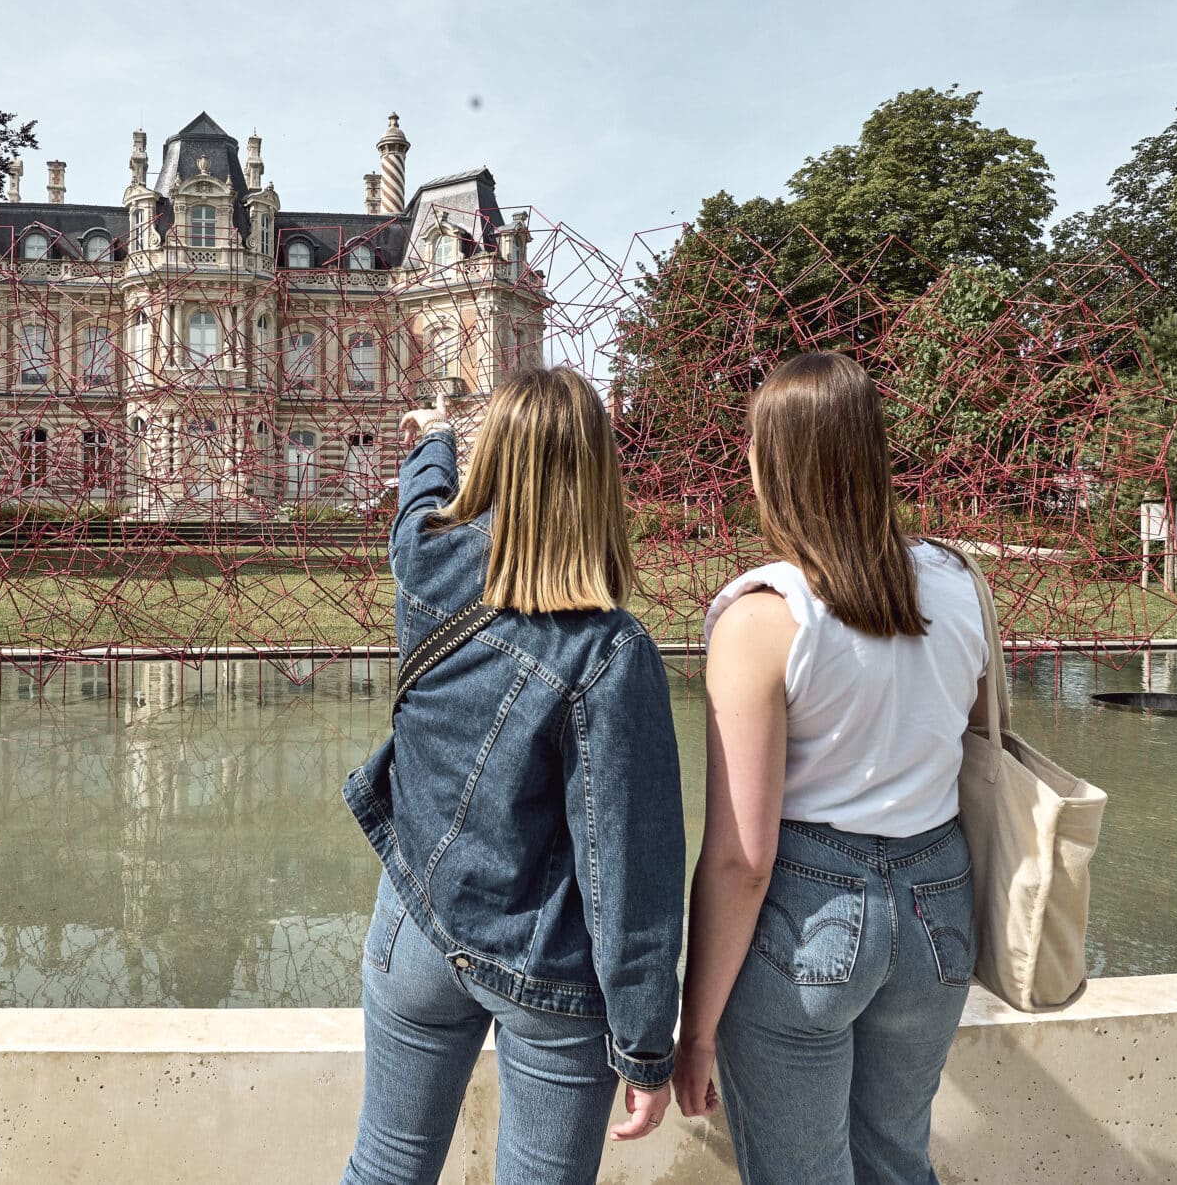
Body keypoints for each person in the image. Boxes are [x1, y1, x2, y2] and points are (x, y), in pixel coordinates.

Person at [340, 369, 686, 1185]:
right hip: (546, 969)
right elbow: (627, 871)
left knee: (384, 1166)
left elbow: (419, 497)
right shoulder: (609, 651)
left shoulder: (425, 561)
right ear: (597, 477)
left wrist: (431, 436)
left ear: (489, 457)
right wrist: (644, 1043)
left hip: (416, 923)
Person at [672, 351, 990, 1184]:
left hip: (811, 918)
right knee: (897, 1159)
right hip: (940, 907)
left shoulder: (764, 616)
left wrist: (697, 1025)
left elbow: (744, 856)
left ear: (772, 463)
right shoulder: (960, 582)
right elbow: (968, 741)